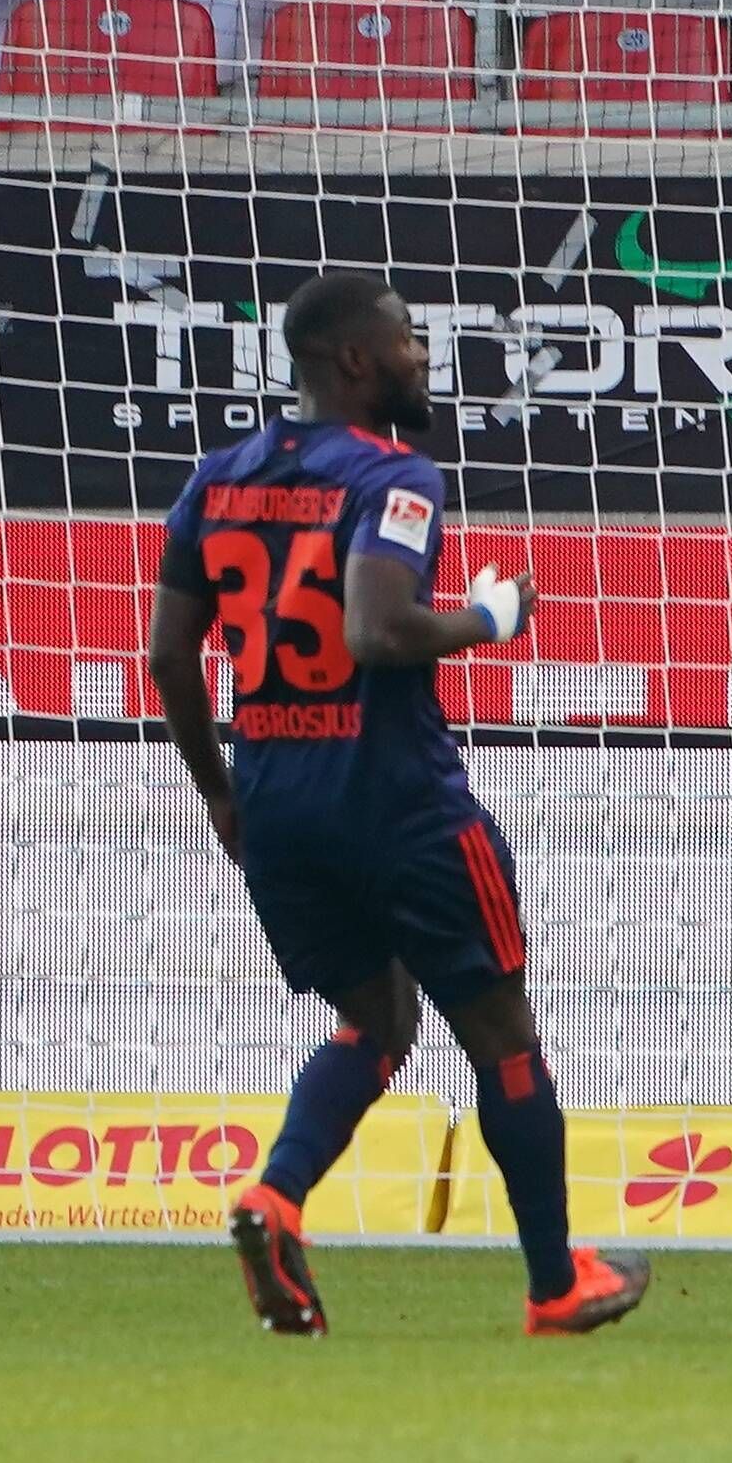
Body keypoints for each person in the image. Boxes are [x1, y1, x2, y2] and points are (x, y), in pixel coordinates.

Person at [145, 271, 650, 1338]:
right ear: (356, 361)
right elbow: (378, 631)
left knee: (376, 1019)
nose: (425, 360)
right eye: (411, 343)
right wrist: (488, 616)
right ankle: (557, 1285)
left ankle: (276, 1195)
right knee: (501, 1031)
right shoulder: (395, 477)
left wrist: (220, 795)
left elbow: (166, 657)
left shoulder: (215, 480)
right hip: (398, 801)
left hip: (277, 803)